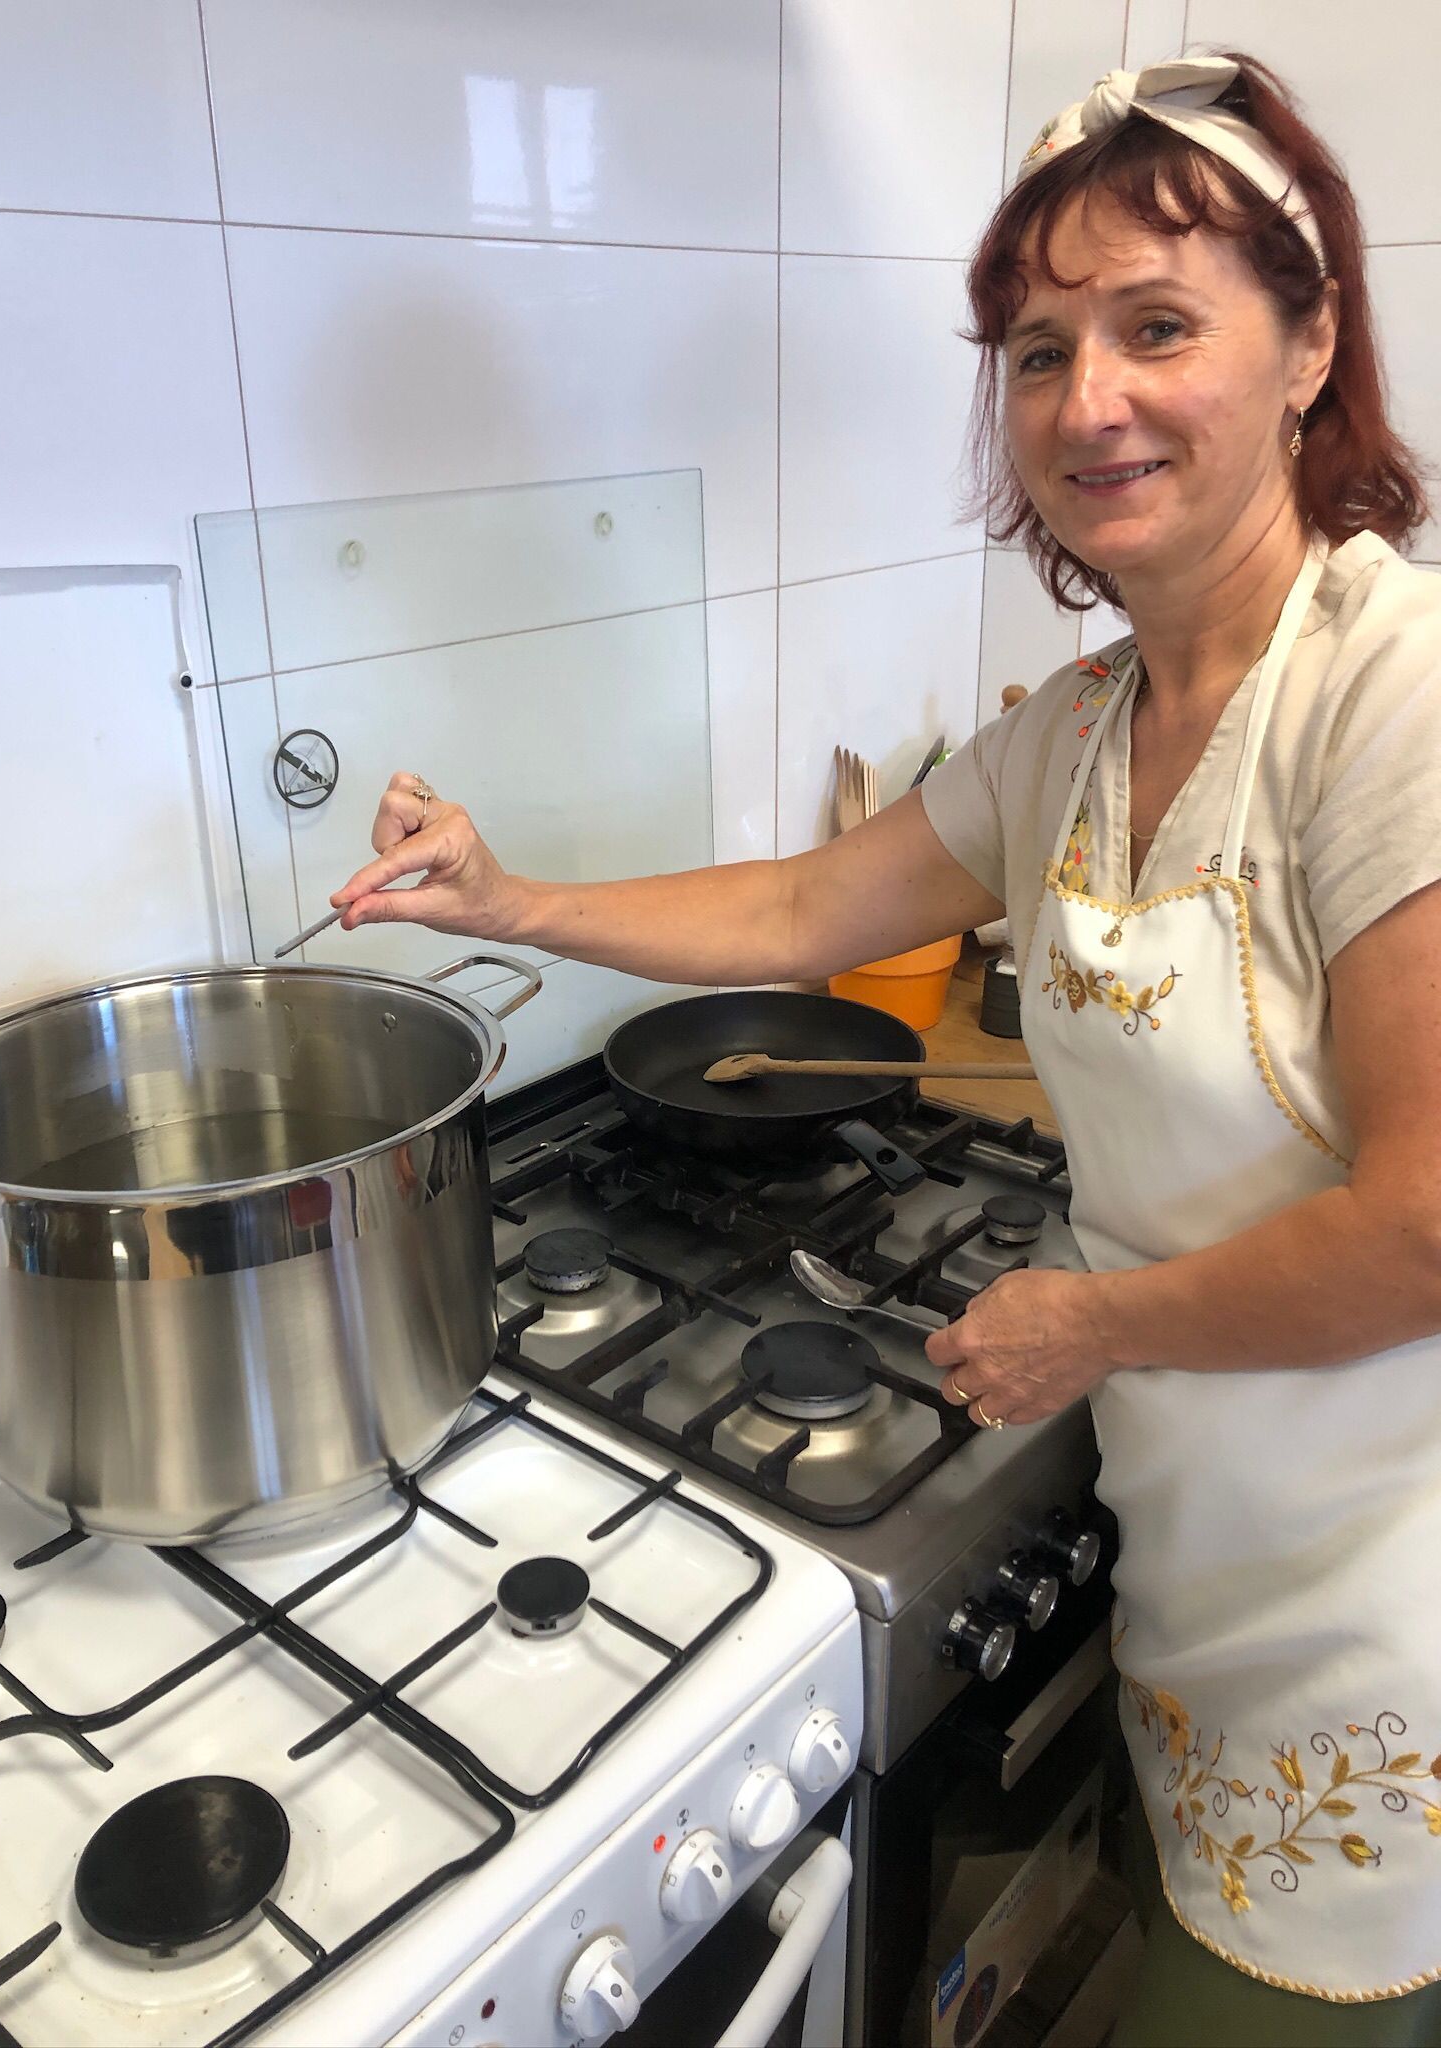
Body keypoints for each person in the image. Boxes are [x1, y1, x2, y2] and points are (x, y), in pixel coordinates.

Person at [332, 52, 1441, 2043]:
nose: (1085, 401)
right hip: (1199, 1547)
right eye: (1039, 351)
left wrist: (1090, 1323)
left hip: (1384, 1630)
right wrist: (509, 899)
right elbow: (793, 915)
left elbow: (1426, 1228)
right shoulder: (1076, 730)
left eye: (1158, 327)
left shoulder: (1392, 694)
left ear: (1310, 348)